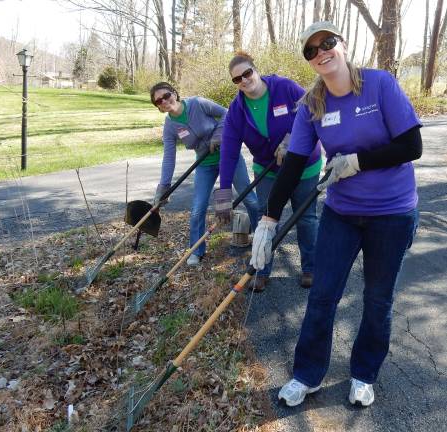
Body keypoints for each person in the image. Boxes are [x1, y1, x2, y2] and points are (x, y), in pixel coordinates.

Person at [249, 21, 422, 407]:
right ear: (309, 62)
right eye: (311, 50)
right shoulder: (311, 104)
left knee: (378, 299)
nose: (321, 52)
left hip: (392, 214)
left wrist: (360, 162)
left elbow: (412, 145)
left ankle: (363, 374)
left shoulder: (379, 84)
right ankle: (306, 374)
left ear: (342, 45)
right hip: (342, 213)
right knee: (322, 296)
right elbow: (293, 164)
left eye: (327, 43)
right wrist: (268, 220)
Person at [214, 52, 322, 291]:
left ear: (256, 70)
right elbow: (229, 153)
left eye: (247, 73)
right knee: (265, 220)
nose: (244, 80)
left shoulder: (284, 87)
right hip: (268, 170)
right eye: (237, 79)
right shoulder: (236, 111)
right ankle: (262, 270)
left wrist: (293, 140)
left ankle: (311, 268)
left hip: (304, 167)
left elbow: (314, 110)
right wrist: (223, 193)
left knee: (306, 219)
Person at [150, 82, 258, 266]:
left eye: (166, 95)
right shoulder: (170, 126)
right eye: (159, 101)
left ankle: (261, 235)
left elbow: (227, 113)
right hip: (204, 164)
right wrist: (163, 187)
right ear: (158, 107)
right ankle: (196, 250)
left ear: (174, 93)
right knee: (197, 209)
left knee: (249, 199)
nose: (164, 101)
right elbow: (169, 157)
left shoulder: (197, 103)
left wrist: (218, 135)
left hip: (228, 156)